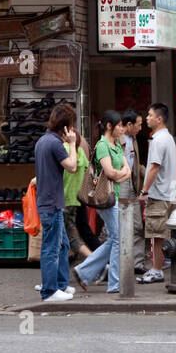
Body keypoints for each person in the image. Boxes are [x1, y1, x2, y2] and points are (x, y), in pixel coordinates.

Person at [74, 111, 132, 293]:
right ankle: (113, 283)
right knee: (117, 239)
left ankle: (84, 271)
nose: (122, 128)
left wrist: (120, 174)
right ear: (109, 126)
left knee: (115, 238)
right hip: (104, 198)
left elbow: (127, 170)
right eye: (120, 125)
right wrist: (120, 174)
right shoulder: (102, 145)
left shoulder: (116, 145)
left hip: (113, 196)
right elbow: (110, 172)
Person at [35, 103, 80, 302]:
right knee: (51, 248)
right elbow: (72, 166)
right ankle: (49, 291)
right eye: (71, 125)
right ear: (65, 126)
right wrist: (71, 144)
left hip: (50, 202)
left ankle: (59, 285)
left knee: (61, 246)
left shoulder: (43, 141)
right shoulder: (54, 143)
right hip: (51, 203)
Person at [137, 103, 176, 284]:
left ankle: (156, 270)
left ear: (159, 119)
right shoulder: (167, 138)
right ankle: (159, 267)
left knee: (157, 236)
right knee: (162, 235)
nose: (147, 118)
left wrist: (144, 191)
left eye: (150, 114)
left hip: (159, 194)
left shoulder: (158, 140)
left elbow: (154, 167)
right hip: (168, 193)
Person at [119, 109, 147, 274]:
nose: (140, 127)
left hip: (133, 184)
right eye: (138, 124)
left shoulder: (134, 139)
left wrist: (149, 174)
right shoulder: (117, 139)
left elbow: (136, 164)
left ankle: (137, 263)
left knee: (137, 225)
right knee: (121, 224)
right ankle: (120, 262)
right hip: (121, 183)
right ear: (129, 125)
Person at [61, 121, 93, 264]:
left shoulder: (63, 149)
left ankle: (97, 263)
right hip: (79, 198)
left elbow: (55, 173)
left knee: (69, 237)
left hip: (65, 198)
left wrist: (35, 181)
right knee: (80, 231)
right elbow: (88, 170)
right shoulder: (79, 151)